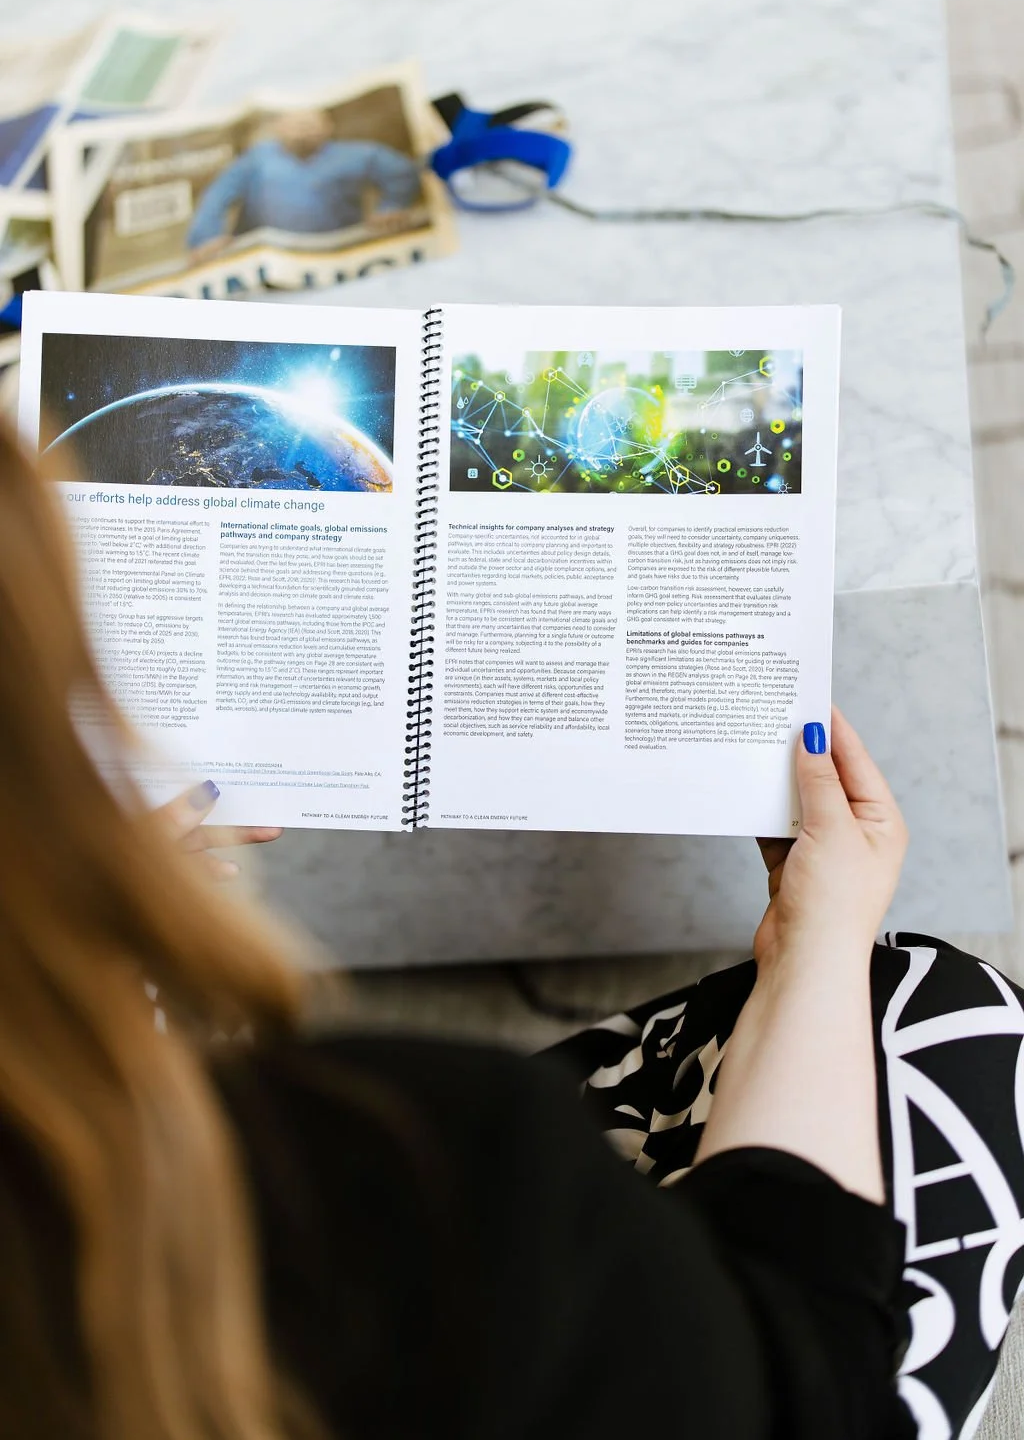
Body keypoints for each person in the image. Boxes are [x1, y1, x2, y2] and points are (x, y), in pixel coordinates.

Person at [0, 411, 1021, 1440]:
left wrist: (76, 952)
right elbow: (805, 1381)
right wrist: (818, 934)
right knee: (944, 1015)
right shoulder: (415, 1148)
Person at [186, 108, 422, 261]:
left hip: (340, 250)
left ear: (328, 127)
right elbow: (218, 195)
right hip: (268, 256)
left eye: (311, 123)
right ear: (278, 128)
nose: (303, 129)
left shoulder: (356, 155)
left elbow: (401, 172)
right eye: (295, 123)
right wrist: (207, 237)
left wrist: (392, 205)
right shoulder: (257, 159)